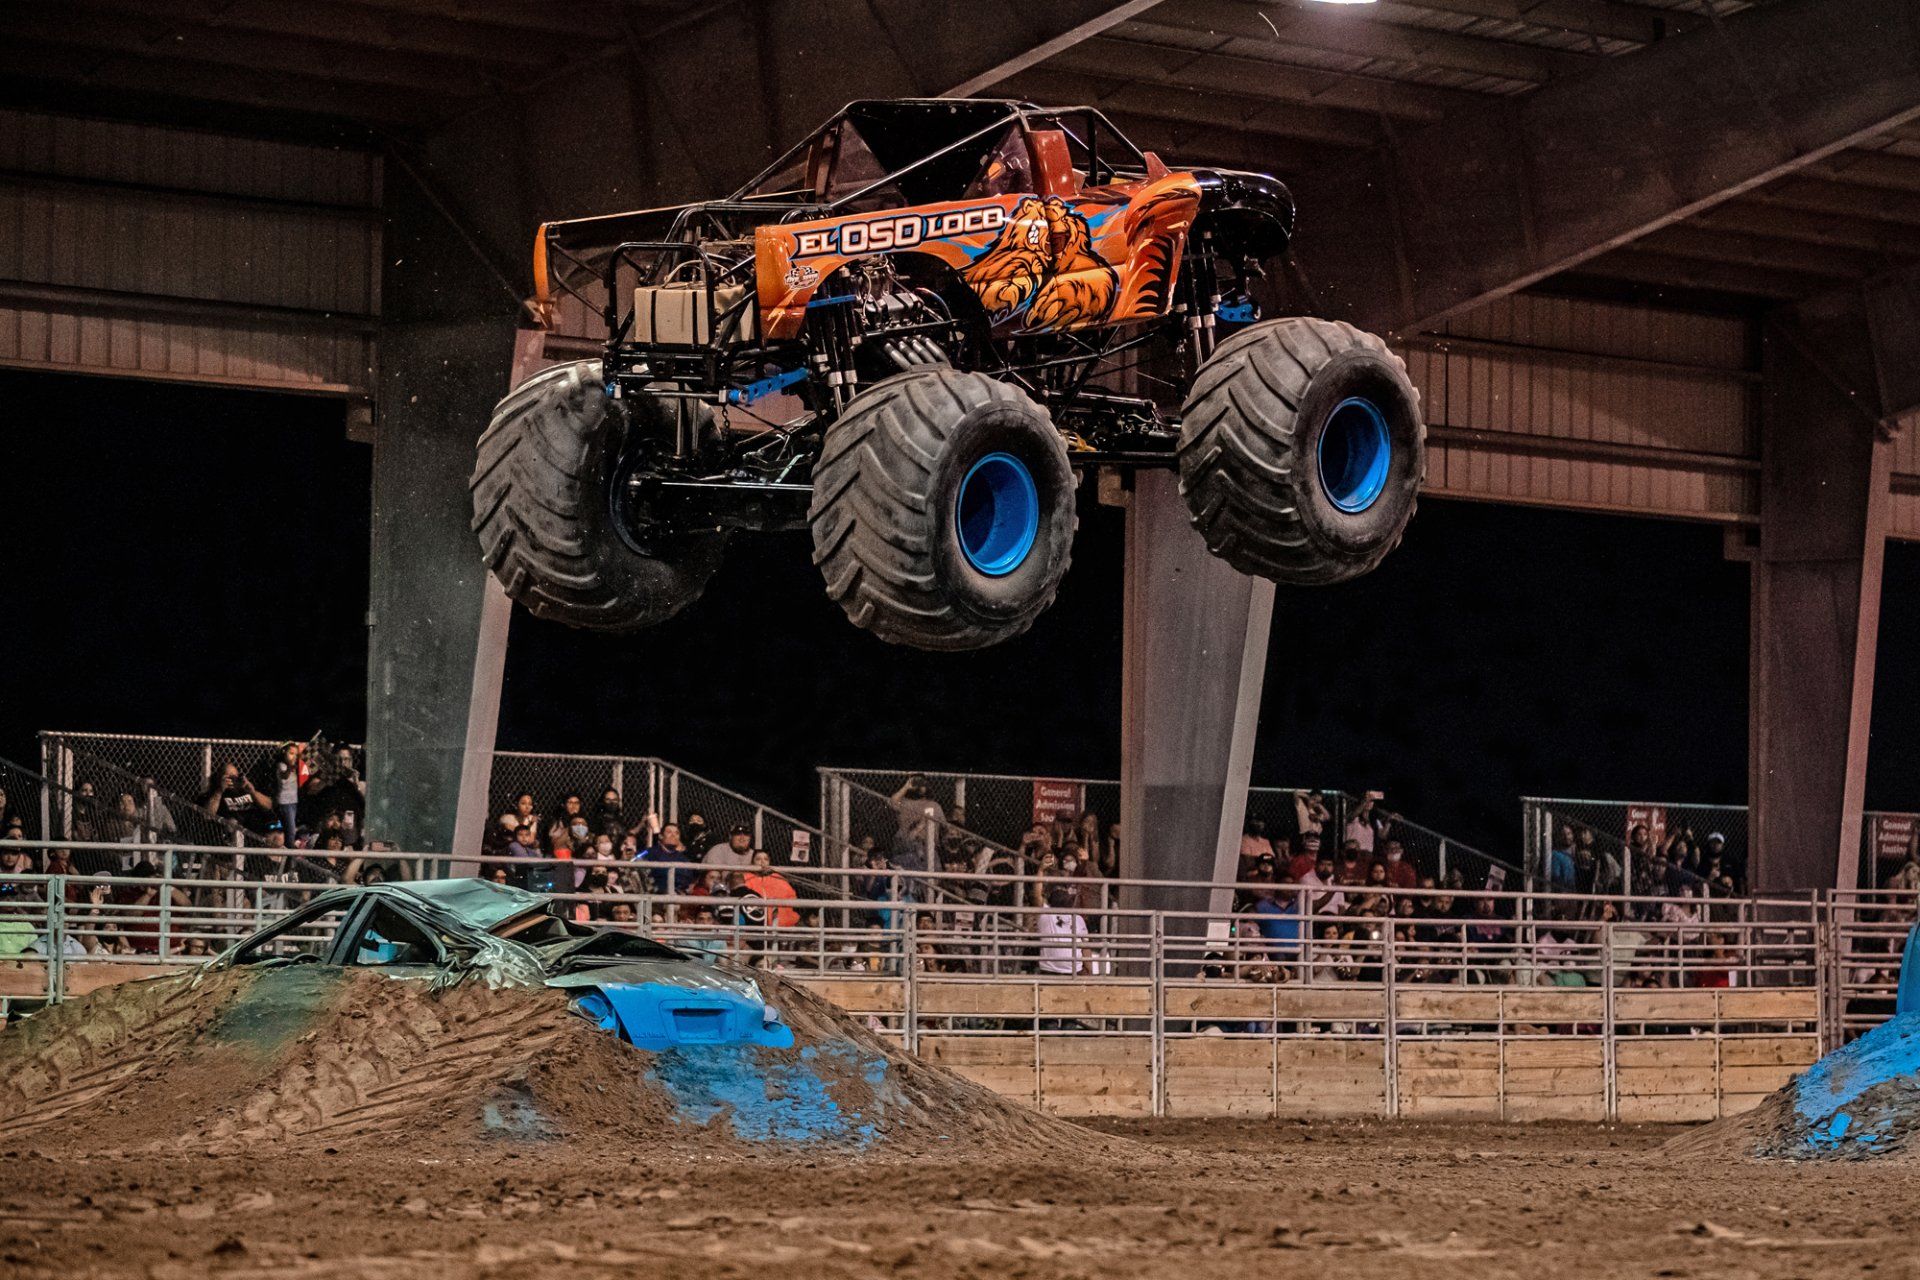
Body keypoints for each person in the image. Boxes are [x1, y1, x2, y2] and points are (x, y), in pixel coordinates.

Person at [1036, 886, 1087, 976]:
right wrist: (1089, 969)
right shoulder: (1048, 915)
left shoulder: (1046, 915)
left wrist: (1040, 871)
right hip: (1069, 970)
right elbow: (1086, 947)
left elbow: (1037, 895)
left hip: (1054, 970)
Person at [743, 851, 800, 928]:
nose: (762, 862)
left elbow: (792, 898)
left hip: (782, 925)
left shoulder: (779, 878)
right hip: (756, 924)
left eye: (766, 859)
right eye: (758, 859)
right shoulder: (746, 878)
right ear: (752, 862)